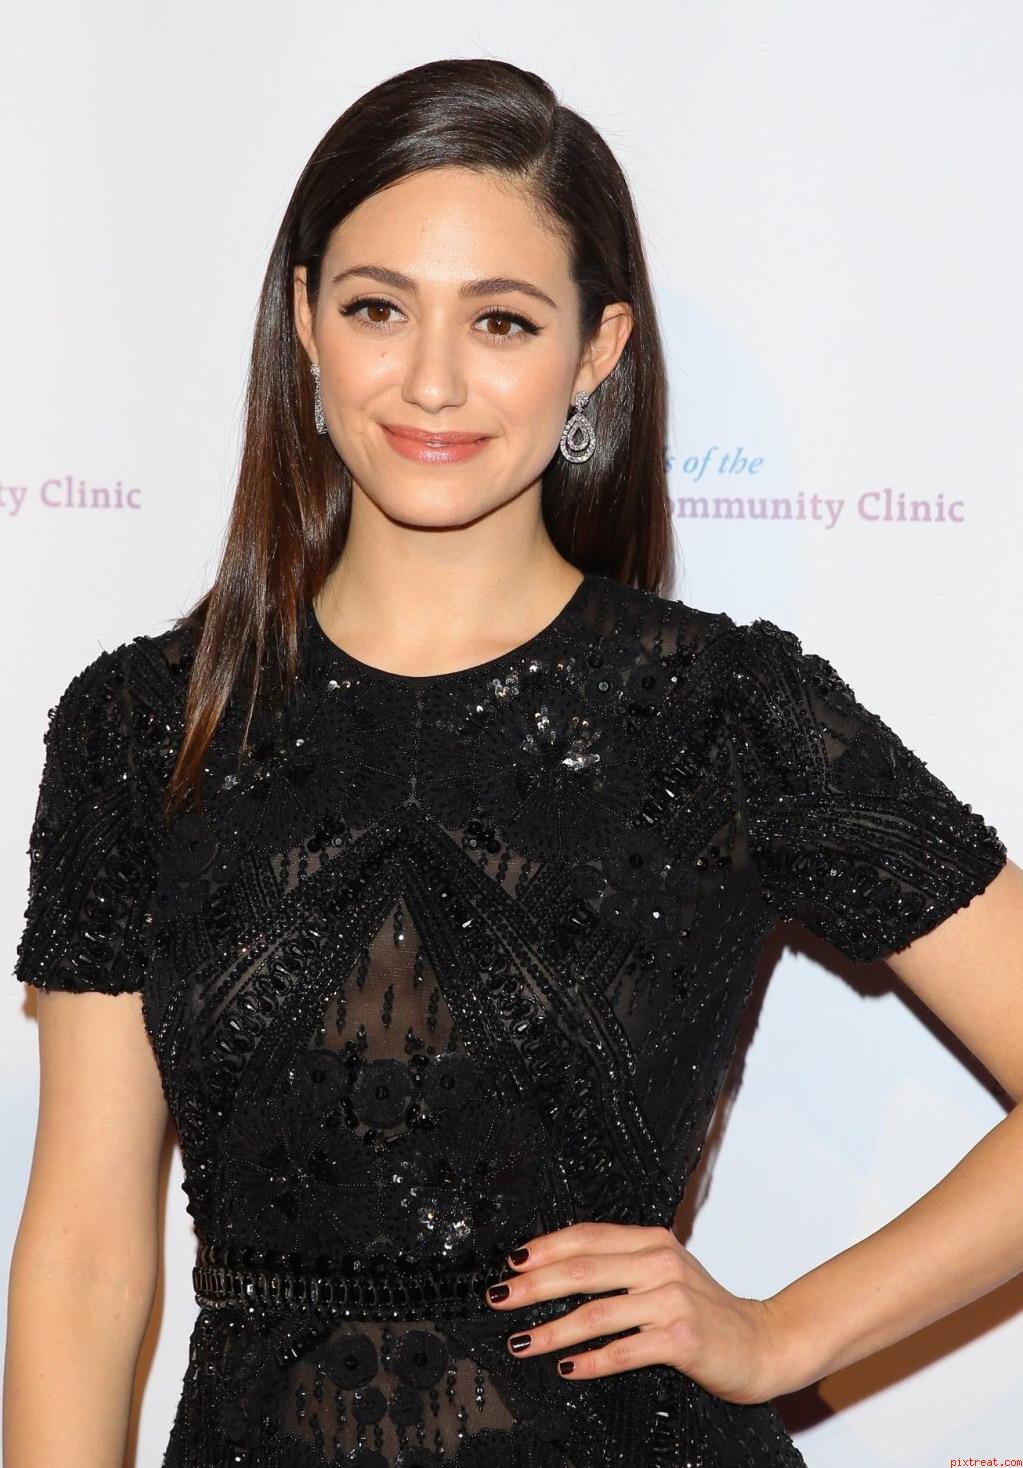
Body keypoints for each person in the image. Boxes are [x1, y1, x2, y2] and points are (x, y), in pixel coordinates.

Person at [5, 55, 1022, 1468]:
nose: (432, 379)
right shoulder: (142, 726)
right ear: (304, 322)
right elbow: (84, 1253)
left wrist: (784, 1335)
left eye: (501, 320)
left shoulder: (719, 713)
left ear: (597, 351)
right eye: (378, 308)